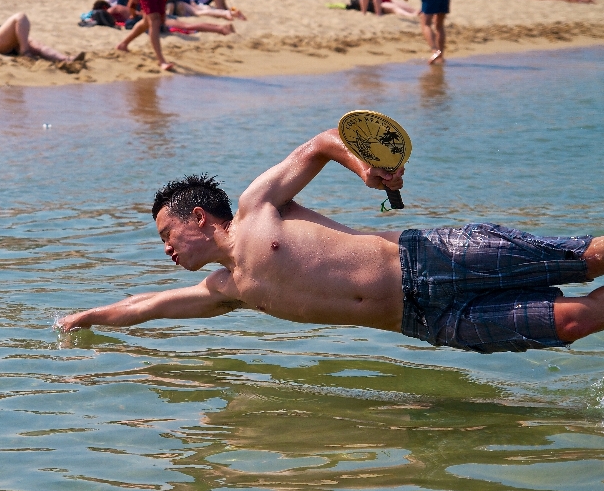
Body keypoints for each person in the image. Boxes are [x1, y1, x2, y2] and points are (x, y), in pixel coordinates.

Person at [58, 131, 604, 356]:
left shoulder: (257, 206)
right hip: (427, 323)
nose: (166, 250)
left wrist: (363, 167)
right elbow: (144, 306)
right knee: (575, 322)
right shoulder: (229, 288)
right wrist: (84, 319)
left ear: (197, 218)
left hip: (430, 259)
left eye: (166, 235)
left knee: (587, 258)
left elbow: (321, 143)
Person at [0, 9, 84, 67]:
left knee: (38, 45)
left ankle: (65, 59)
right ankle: (24, 51)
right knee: (19, 17)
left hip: (3, 36)